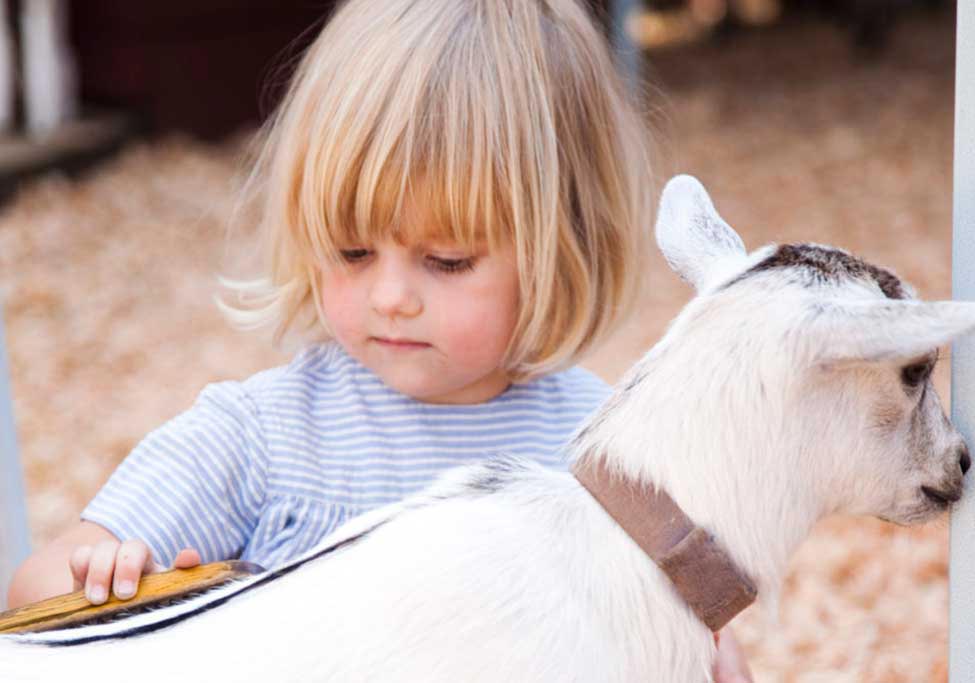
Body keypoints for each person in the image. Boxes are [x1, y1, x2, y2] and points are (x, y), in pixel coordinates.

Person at [6, 0, 752, 679]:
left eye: (447, 260)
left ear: (562, 246)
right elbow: (36, 596)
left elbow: (713, 650)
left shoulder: (608, 456)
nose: (391, 297)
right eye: (352, 252)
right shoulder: (261, 438)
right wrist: (114, 587)